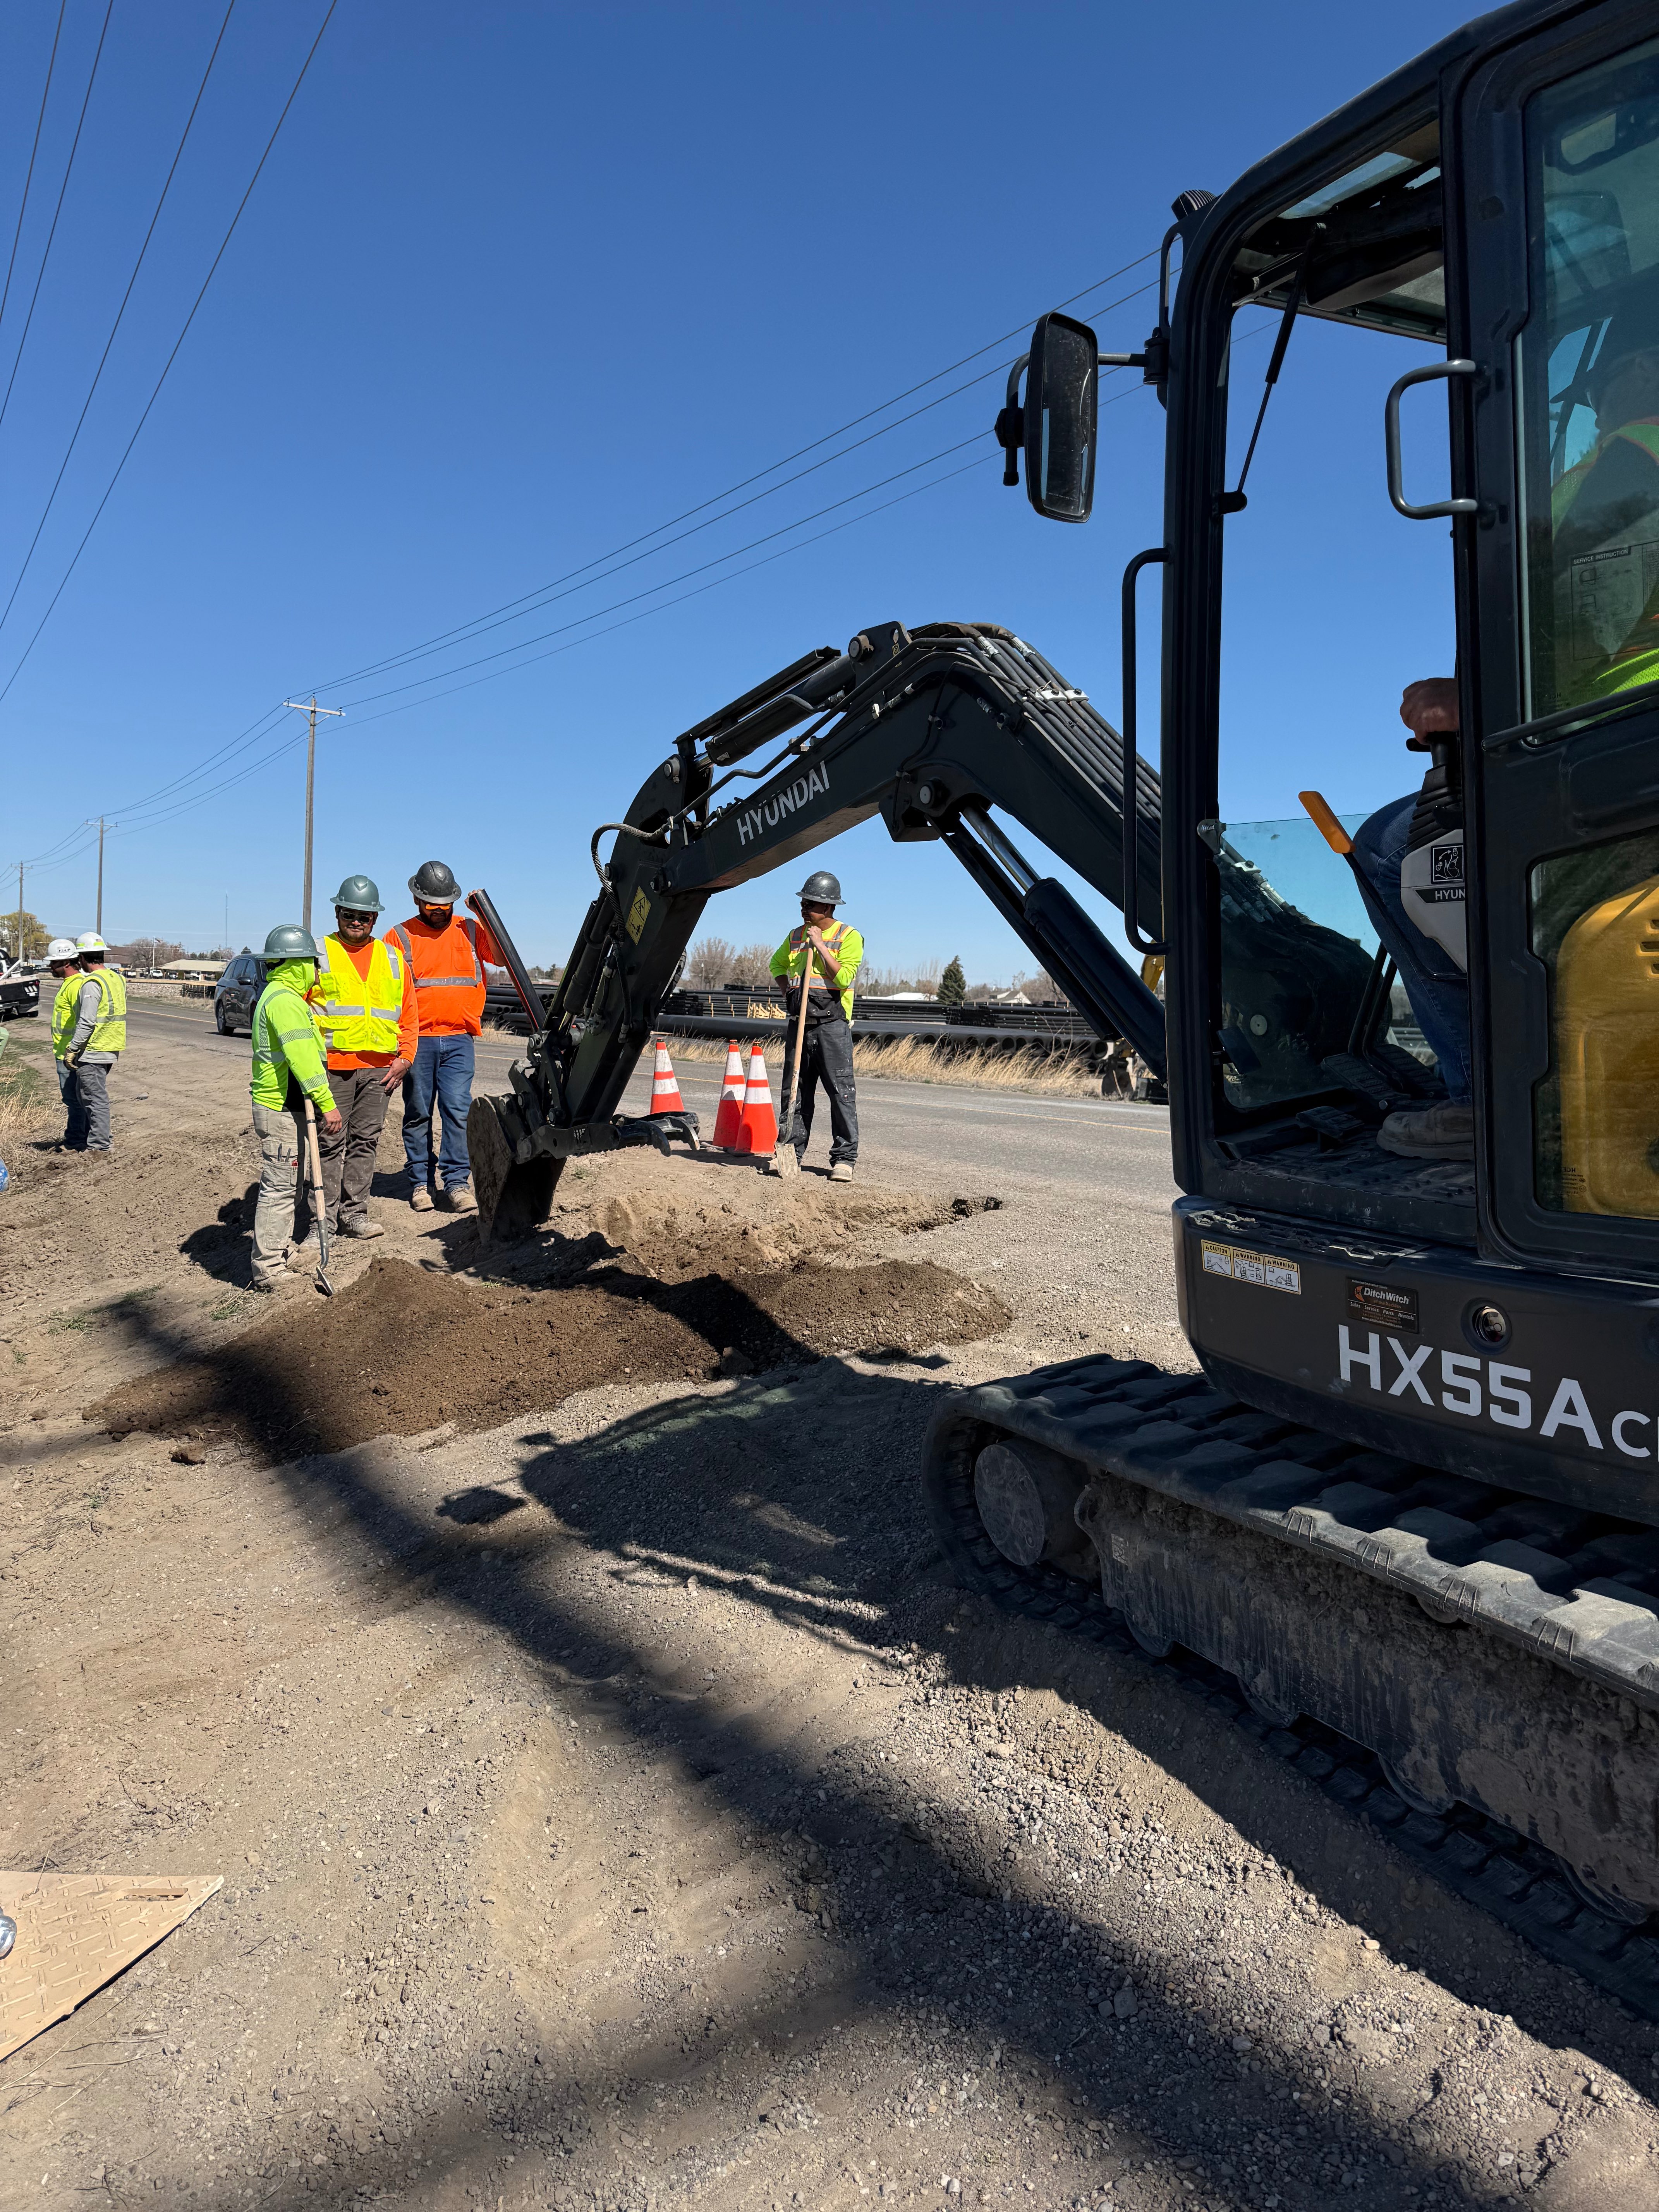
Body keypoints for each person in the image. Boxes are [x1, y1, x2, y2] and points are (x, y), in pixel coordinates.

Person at [1350, 298, 1659, 1164]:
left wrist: (1462, 700)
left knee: (1390, 852)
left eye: (1601, 384)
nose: (1593, 406)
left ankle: (1487, 1095)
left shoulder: (1634, 459)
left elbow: (1568, 633)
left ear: (1640, 372)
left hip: (1615, 736)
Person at [385, 860, 503, 1214]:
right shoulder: (399, 936)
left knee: (457, 1111)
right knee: (419, 1112)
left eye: (445, 906)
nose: (439, 913)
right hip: (418, 1040)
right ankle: (420, 1183)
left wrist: (483, 916)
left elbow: (498, 955)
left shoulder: (468, 929)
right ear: (417, 900)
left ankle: (456, 1184)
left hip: (459, 1039)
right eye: (431, 906)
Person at [309, 874, 416, 1245]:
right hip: (332, 1068)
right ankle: (321, 1222)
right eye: (349, 914)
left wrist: (406, 1058)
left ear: (375, 920)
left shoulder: (392, 958)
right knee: (328, 1143)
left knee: (365, 1142)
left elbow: (409, 1013)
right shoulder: (318, 955)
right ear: (338, 913)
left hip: (379, 1070)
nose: (357, 921)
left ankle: (354, 1215)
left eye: (365, 916)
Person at [248, 923, 342, 1292]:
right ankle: (269, 1268)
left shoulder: (281, 994)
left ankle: (279, 1251)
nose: (317, 973)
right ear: (297, 963)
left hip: (287, 1107)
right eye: (313, 965)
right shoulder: (285, 1001)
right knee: (280, 1188)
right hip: (281, 1107)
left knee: (290, 1186)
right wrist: (328, 1105)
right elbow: (303, 1060)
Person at [768, 869, 864, 1181]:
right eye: (803, 903)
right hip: (799, 1025)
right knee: (794, 1092)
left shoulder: (848, 936)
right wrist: (789, 993)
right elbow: (777, 965)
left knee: (841, 1094)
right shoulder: (795, 936)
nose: (804, 909)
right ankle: (790, 1151)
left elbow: (844, 977)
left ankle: (844, 1159)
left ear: (829, 908)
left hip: (831, 1026)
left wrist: (821, 946)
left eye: (811, 904)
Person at [52, 933, 127, 1154]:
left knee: (94, 1098)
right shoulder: (117, 978)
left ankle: (100, 1146)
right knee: (87, 1096)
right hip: (112, 1045)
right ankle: (94, 1141)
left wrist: (73, 1049)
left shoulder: (92, 983)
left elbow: (87, 1022)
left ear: (82, 958)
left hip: (94, 1048)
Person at [46, 938, 91, 1150]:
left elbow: (84, 1020)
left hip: (71, 1053)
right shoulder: (72, 984)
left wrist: (73, 1050)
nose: (50, 967)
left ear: (66, 963)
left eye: (54, 963)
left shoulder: (76, 986)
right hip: (66, 1051)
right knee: (77, 1099)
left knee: (75, 1100)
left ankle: (75, 1141)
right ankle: (82, 1137)